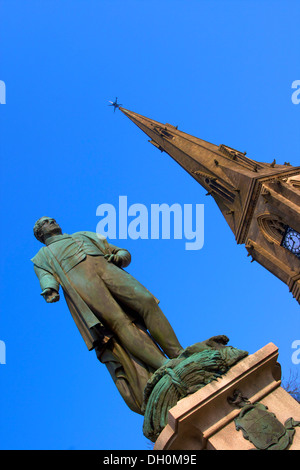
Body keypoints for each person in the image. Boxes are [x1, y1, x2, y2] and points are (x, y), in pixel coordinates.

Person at [32, 216, 184, 413]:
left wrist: (121, 255)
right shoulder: (42, 256)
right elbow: (46, 276)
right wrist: (50, 289)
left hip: (107, 267)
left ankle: (177, 352)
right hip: (81, 281)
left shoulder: (84, 234)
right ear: (40, 233)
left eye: (52, 219)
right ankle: (163, 363)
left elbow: (118, 250)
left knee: (146, 301)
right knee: (120, 323)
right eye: (45, 222)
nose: (51, 222)